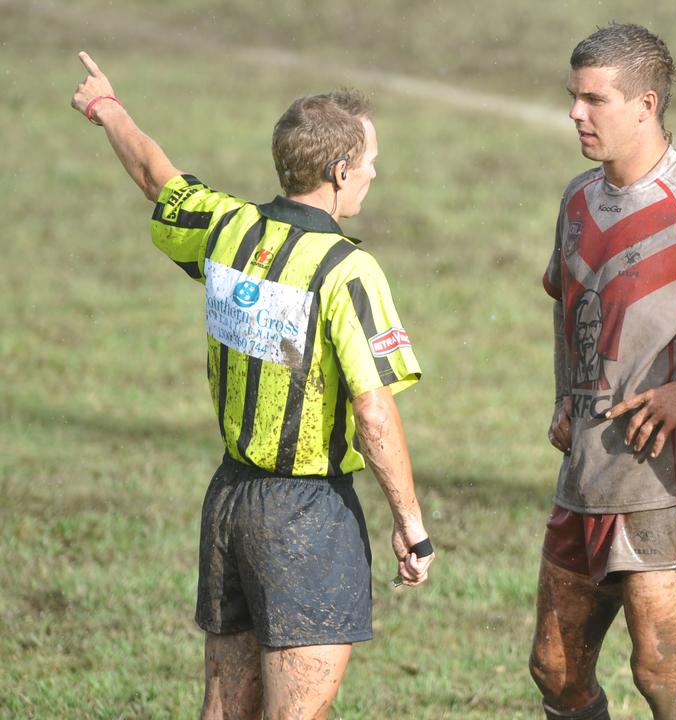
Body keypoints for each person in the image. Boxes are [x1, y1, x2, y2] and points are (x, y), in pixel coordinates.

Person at [70, 52, 436, 719]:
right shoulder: (347, 271)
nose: (375, 173)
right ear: (339, 170)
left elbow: (157, 177)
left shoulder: (229, 229)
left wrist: (107, 109)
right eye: (370, 161)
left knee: (225, 710)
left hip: (230, 502)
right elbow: (374, 411)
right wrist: (410, 523)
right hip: (306, 516)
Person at [530, 24, 676, 720]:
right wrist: (565, 393)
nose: (576, 113)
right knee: (554, 671)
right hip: (587, 472)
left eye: (593, 99)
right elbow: (566, 298)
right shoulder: (578, 199)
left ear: (645, 104)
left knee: (661, 676)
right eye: (573, 97)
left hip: (666, 479)